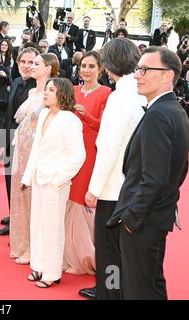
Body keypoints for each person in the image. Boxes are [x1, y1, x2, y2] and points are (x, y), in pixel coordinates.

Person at [106, 46, 189, 299]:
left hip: (143, 222)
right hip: (156, 217)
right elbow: (180, 168)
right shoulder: (174, 110)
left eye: (144, 69)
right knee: (152, 286)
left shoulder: (159, 115)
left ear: (168, 75)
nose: (137, 75)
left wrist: (133, 219)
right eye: (137, 69)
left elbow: (154, 178)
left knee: (137, 290)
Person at [79, 38, 146, 300]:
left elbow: (109, 146)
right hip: (130, 183)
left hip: (112, 186)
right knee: (119, 248)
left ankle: (108, 291)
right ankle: (112, 289)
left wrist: (93, 189)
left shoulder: (120, 97)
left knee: (108, 248)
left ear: (109, 64)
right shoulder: (138, 93)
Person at [21, 77, 86, 288]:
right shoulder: (43, 116)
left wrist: (59, 178)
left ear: (62, 94)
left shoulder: (70, 120)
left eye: (51, 90)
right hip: (39, 179)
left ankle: (52, 272)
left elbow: (78, 155)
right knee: (38, 225)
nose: (46, 93)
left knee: (53, 228)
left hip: (55, 182)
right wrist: (28, 177)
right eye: (46, 89)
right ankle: (39, 266)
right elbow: (36, 150)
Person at [63, 51, 111, 275]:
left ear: (100, 69)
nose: (86, 70)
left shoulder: (106, 93)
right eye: (84, 66)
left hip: (89, 153)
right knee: (65, 199)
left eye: (92, 66)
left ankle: (84, 258)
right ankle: (65, 253)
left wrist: (85, 116)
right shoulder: (72, 90)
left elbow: (106, 127)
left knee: (79, 201)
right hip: (67, 151)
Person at [9, 53, 60, 264]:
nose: (31, 67)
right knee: (20, 198)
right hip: (20, 150)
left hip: (36, 153)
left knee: (33, 200)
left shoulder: (52, 92)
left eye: (36, 64)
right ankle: (21, 244)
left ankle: (33, 248)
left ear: (48, 68)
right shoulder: (31, 91)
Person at [0, 47, 38, 236]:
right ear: (17, 63)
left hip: (27, 143)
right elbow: (8, 116)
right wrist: (3, 143)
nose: (27, 66)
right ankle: (14, 214)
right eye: (23, 62)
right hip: (11, 139)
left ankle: (19, 223)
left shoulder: (38, 87)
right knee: (9, 179)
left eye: (31, 62)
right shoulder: (17, 82)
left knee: (21, 182)